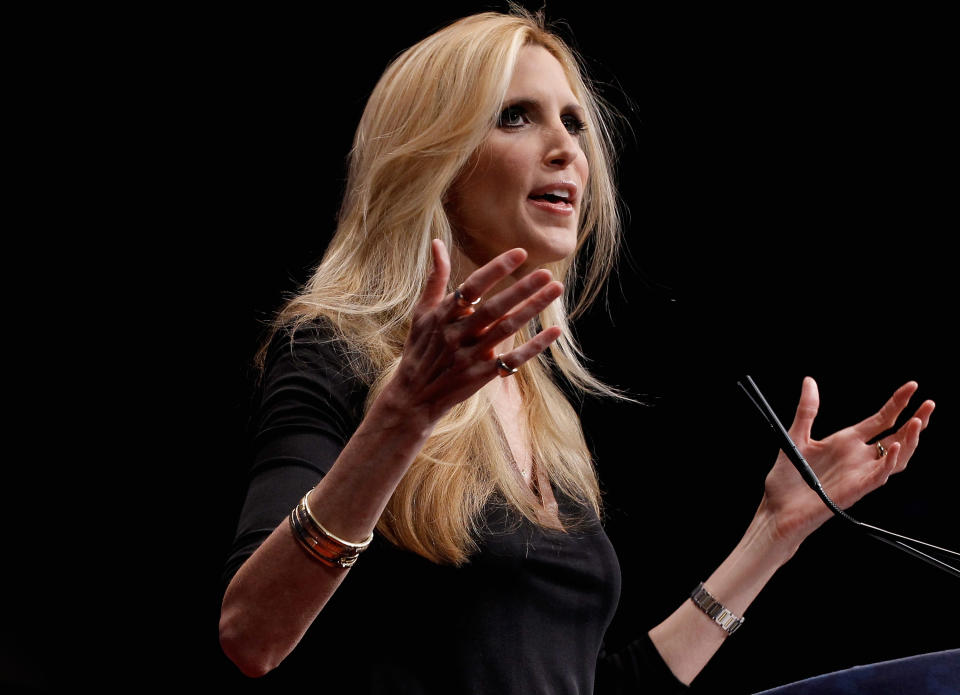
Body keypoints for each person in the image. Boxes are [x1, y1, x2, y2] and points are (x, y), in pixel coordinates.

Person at [218, 8, 936, 693]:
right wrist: (404, 413)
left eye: (573, 122)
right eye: (515, 117)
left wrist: (773, 532)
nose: (568, 148)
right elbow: (251, 634)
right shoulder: (337, 356)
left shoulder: (541, 409)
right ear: (434, 158)